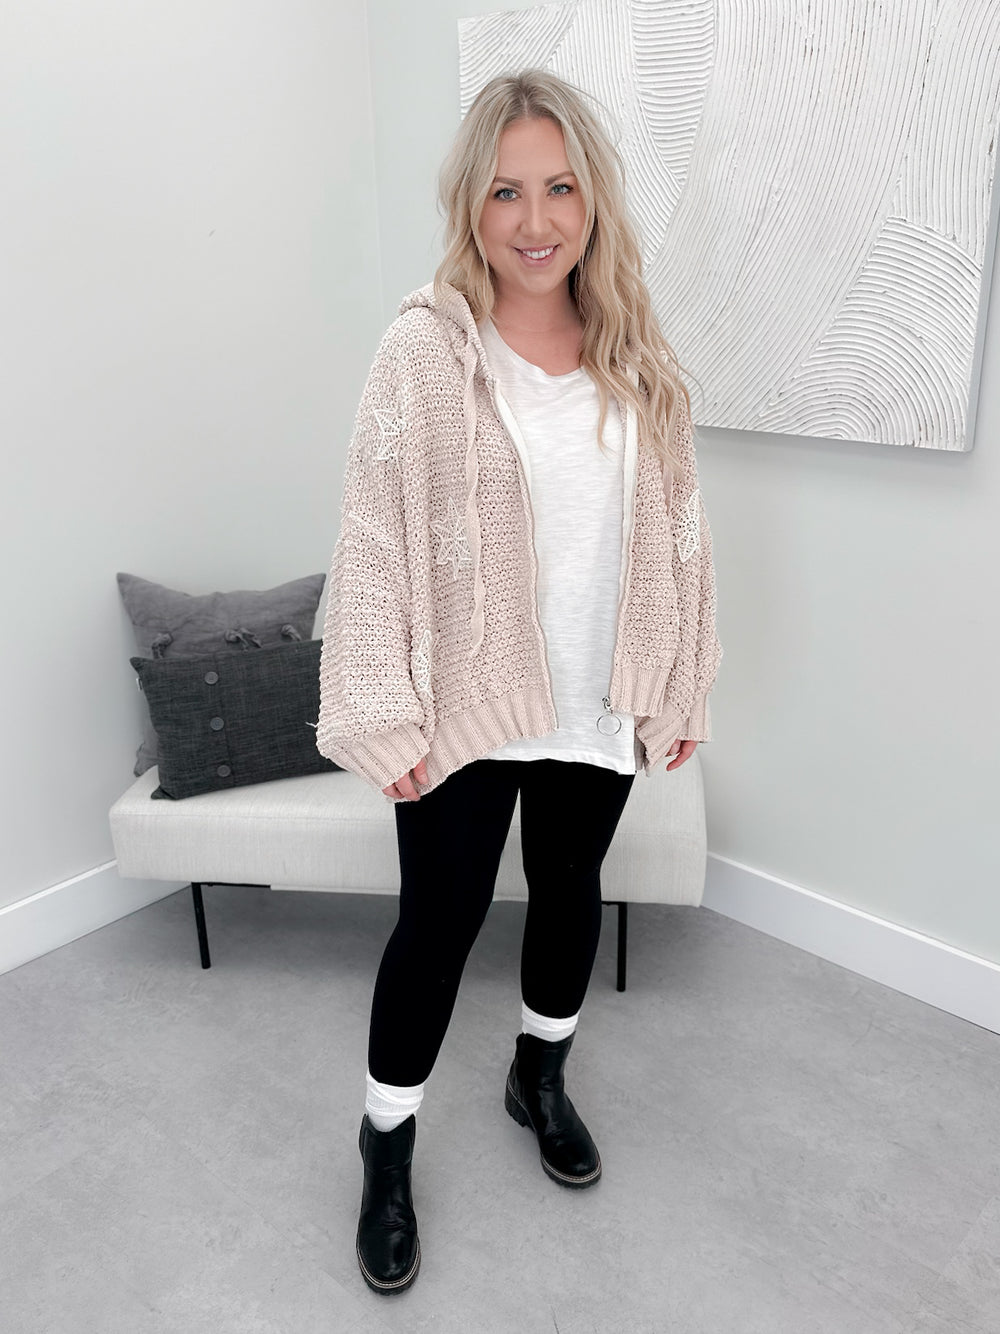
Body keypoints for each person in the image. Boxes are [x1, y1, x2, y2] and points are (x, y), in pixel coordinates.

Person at [315, 67, 722, 1295]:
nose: (534, 220)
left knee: (566, 890)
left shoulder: (636, 353)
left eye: (558, 188)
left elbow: (681, 537)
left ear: (591, 200)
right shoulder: (422, 350)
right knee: (437, 923)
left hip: (596, 693)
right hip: (462, 702)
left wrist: (679, 681)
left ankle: (537, 1074)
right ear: (470, 204)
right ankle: (387, 1141)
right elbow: (372, 536)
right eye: (505, 191)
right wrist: (382, 712)